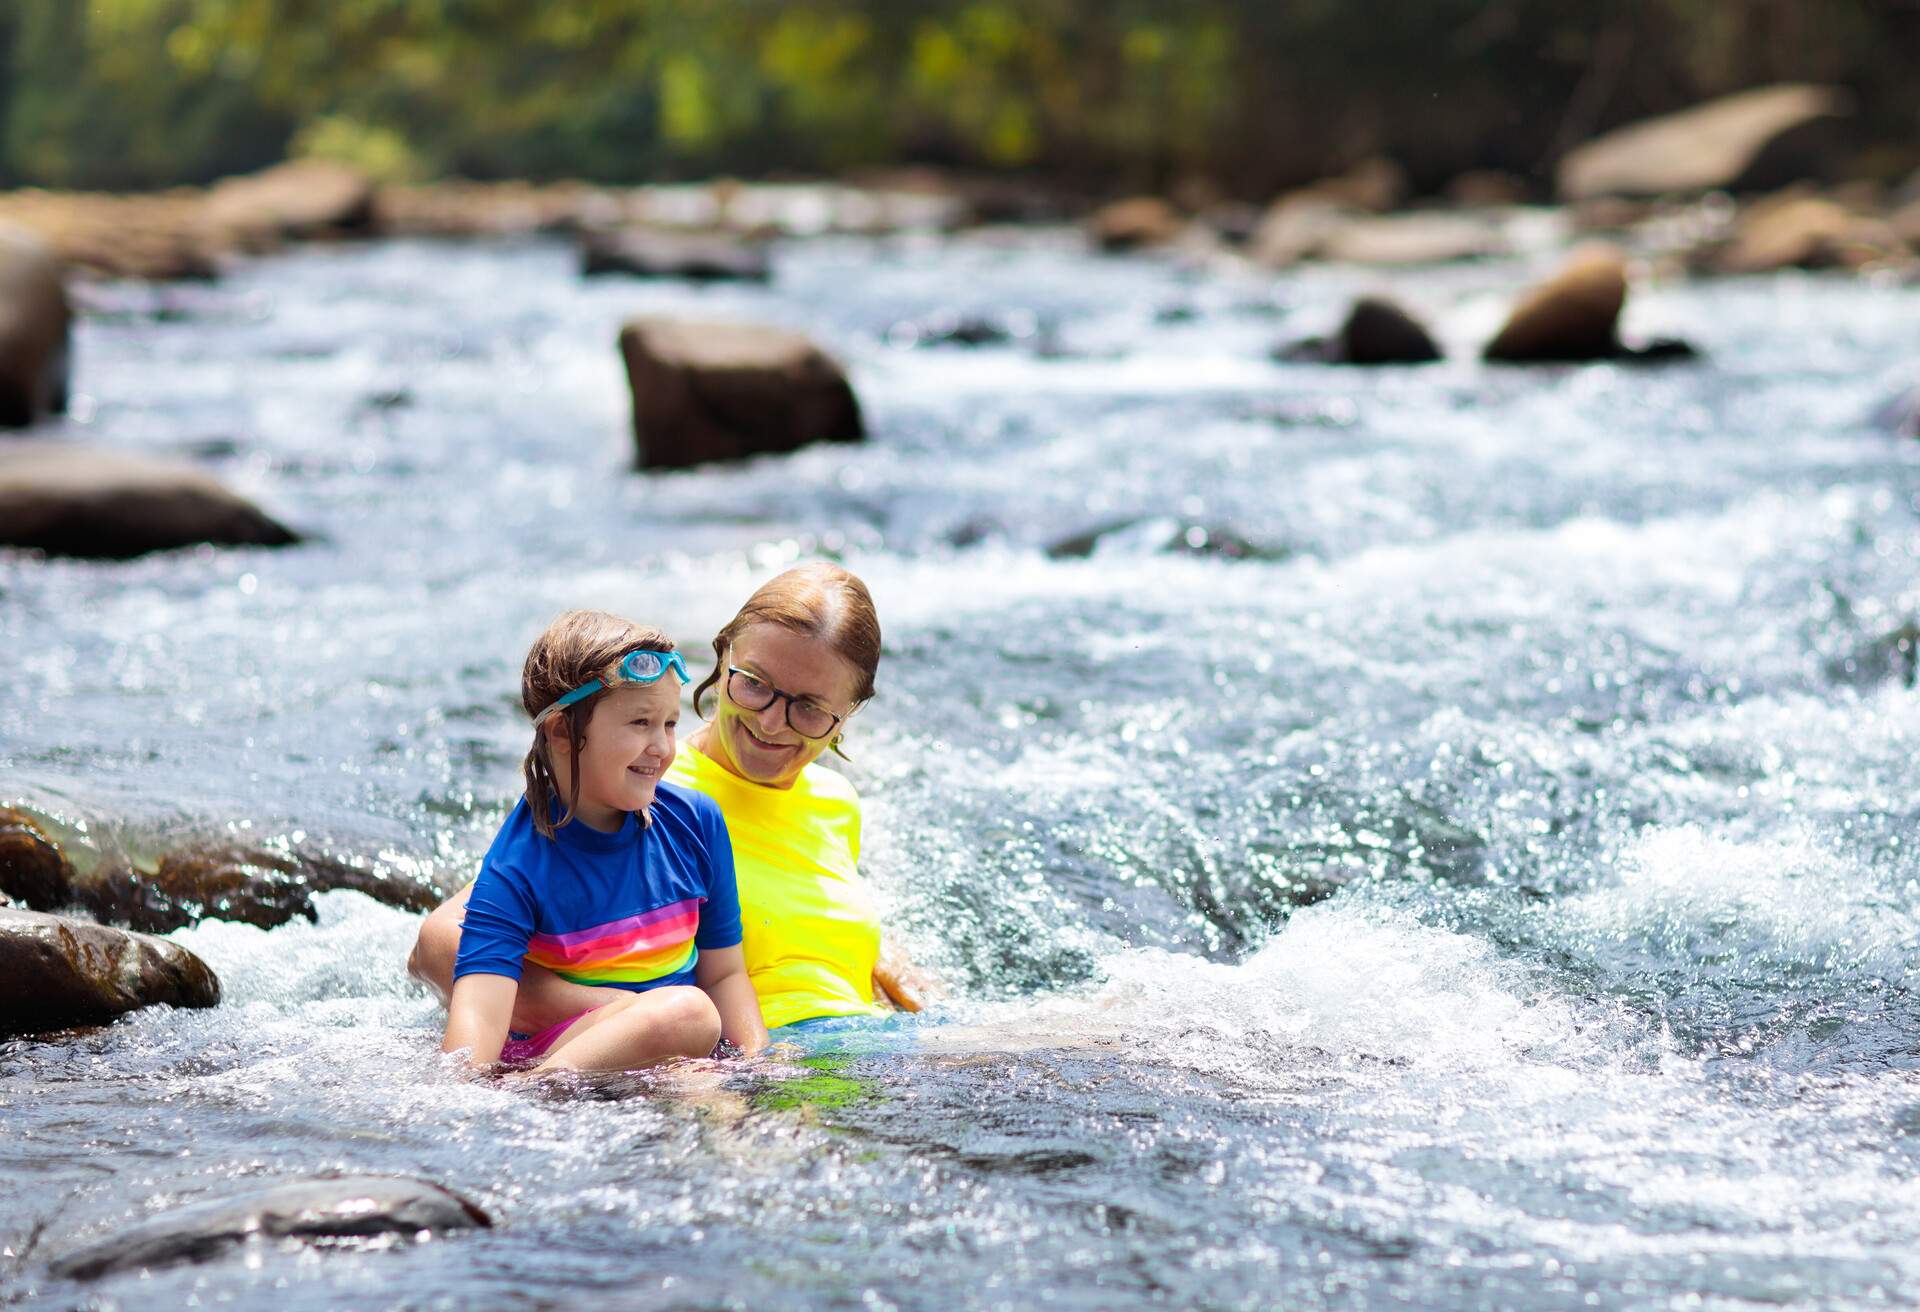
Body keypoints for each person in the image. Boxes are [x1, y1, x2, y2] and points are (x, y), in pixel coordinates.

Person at [411, 564, 930, 1047]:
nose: (772, 722)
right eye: (755, 684)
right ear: (723, 656)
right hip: (750, 1061)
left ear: (849, 713)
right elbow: (439, 942)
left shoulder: (837, 802)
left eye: (812, 708)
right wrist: (638, 1016)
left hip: (860, 1041)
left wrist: (876, 951)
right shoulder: (643, 786)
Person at [437, 609, 764, 1073]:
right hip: (562, 1061)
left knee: (707, 1085)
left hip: (667, 1054)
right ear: (562, 732)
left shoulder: (696, 823)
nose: (663, 747)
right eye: (640, 723)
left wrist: (756, 1064)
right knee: (687, 1012)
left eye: (670, 724)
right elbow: (477, 1025)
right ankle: (538, 1088)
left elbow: (726, 972)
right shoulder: (519, 865)